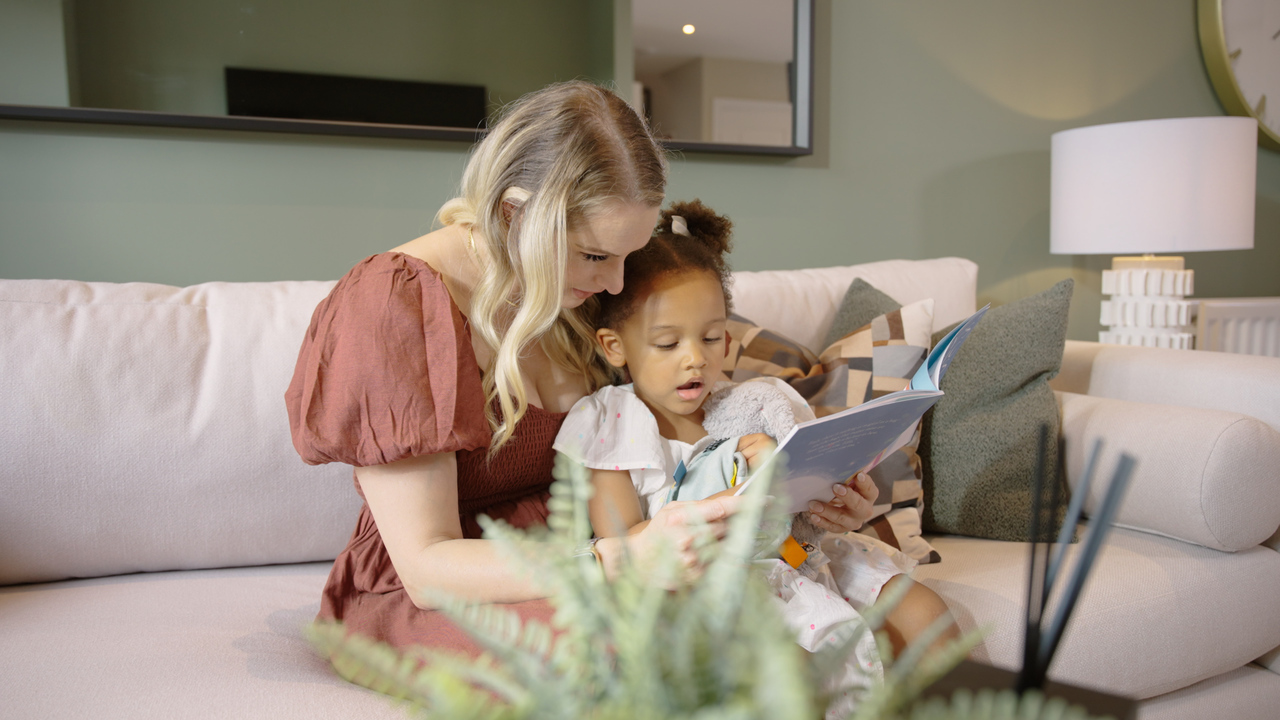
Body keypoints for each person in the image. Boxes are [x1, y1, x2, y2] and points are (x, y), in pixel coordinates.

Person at [284, 82, 874, 666]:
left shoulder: (582, 288)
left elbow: (687, 423)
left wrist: (805, 489)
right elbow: (426, 567)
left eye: (625, 254)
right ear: (513, 214)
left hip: (603, 548)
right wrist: (622, 558)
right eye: (597, 255)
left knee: (782, 625)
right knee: (654, 658)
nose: (616, 284)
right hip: (457, 589)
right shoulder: (394, 304)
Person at [552, 200, 956, 659]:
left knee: (927, 617)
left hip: (795, 560)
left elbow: (807, 519)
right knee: (789, 665)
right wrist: (742, 484)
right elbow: (629, 549)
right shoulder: (608, 421)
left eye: (710, 338)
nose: (695, 358)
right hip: (705, 588)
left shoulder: (755, 404)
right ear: (614, 346)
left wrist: (842, 503)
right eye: (668, 343)